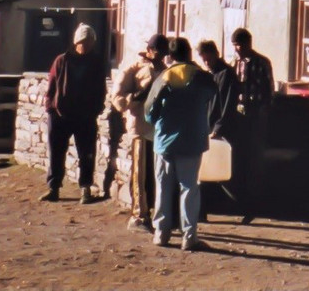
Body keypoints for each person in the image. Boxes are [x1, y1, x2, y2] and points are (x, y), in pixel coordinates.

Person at [145, 37, 217, 251]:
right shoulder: (202, 78)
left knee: (163, 187)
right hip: (192, 140)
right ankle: (189, 236)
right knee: (189, 188)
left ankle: (161, 233)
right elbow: (213, 97)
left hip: (165, 141)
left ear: (170, 56)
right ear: (189, 54)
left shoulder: (163, 78)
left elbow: (150, 114)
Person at [41, 23, 109, 204]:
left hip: (85, 116)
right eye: (83, 41)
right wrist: (50, 107)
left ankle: (85, 189)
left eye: (90, 42)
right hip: (60, 115)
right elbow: (52, 85)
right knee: (56, 153)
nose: (86, 45)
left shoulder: (96, 63)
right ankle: (53, 188)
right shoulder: (62, 60)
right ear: (77, 42)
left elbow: (101, 89)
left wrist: (96, 109)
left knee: (86, 154)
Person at [111, 34, 168, 229]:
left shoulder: (166, 72)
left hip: (159, 130)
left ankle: (153, 211)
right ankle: (138, 215)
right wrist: (136, 96)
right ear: (150, 50)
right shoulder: (134, 70)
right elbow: (117, 98)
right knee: (140, 174)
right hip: (140, 128)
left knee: (155, 174)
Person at [226, 28, 275, 225]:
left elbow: (269, 90)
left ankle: (255, 205)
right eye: (235, 46)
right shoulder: (234, 63)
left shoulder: (261, 63)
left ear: (248, 44)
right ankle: (240, 204)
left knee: (254, 160)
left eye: (239, 45)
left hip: (256, 116)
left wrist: (263, 111)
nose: (237, 49)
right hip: (238, 117)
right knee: (239, 160)